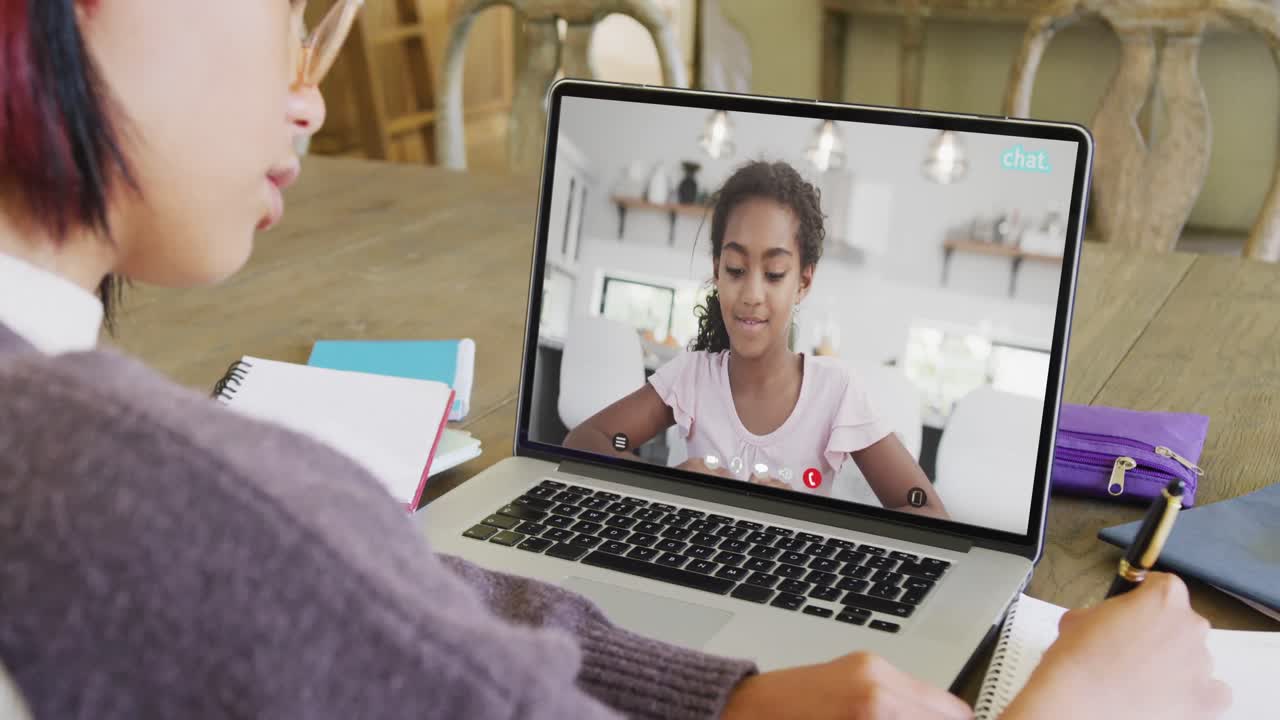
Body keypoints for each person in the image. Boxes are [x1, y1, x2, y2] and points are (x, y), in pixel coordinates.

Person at [0, 2, 1230, 719]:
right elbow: (364, 573)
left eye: (773, 269)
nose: (310, 89)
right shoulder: (161, 497)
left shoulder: (844, 394)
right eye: (283, 8)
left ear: (804, 282)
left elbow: (396, 608)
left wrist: (740, 686)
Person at [564, 160, 949, 517]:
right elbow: (591, 439)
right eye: (735, 269)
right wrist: (671, 484)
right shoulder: (692, 377)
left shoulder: (835, 393)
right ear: (717, 271)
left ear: (803, 282)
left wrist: (812, 517)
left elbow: (925, 510)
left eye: (775, 273)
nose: (751, 294)